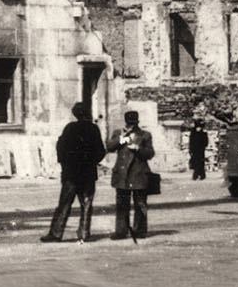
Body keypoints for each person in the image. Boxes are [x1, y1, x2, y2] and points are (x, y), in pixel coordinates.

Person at [42, 101, 108, 243]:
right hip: (88, 173)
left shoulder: (70, 128)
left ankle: (56, 233)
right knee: (86, 204)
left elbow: (60, 147)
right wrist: (91, 162)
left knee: (64, 203)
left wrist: (65, 164)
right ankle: (84, 233)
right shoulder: (93, 129)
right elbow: (101, 151)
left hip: (71, 173)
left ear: (75, 114)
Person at [107, 109, 156, 240]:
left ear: (137, 123)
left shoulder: (145, 135)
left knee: (140, 203)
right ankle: (121, 231)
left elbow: (150, 154)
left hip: (139, 173)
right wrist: (121, 140)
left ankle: (140, 230)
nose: (130, 127)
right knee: (122, 204)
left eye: (133, 124)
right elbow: (109, 147)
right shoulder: (118, 133)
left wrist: (138, 148)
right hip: (122, 174)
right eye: (129, 124)